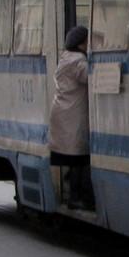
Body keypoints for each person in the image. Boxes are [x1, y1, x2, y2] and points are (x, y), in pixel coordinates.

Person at [48, 25, 94, 211]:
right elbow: (91, 77)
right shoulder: (78, 62)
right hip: (72, 115)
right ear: (82, 43)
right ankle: (76, 197)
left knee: (73, 157)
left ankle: (72, 195)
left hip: (63, 112)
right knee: (79, 158)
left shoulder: (65, 57)